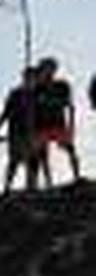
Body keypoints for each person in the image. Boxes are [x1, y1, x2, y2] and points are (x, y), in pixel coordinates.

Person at [33, 57, 81, 187]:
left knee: (70, 150)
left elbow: (69, 105)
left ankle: (77, 176)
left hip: (58, 124)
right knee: (41, 155)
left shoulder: (62, 86)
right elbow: (32, 108)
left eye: (49, 68)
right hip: (42, 125)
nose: (47, 72)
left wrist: (71, 127)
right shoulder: (37, 88)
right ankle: (47, 182)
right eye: (44, 68)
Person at [0, 67, 40, 193]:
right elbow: (5, 113)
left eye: (33, 78)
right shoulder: (15, 94)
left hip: (32, 133)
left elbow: (40, 115)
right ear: (24, 78)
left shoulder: (37, 95)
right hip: (16, 133)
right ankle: (7, 187)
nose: (31, 81)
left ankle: (32, 187)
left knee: (33, 162)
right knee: (14, 162)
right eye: (28, 77)